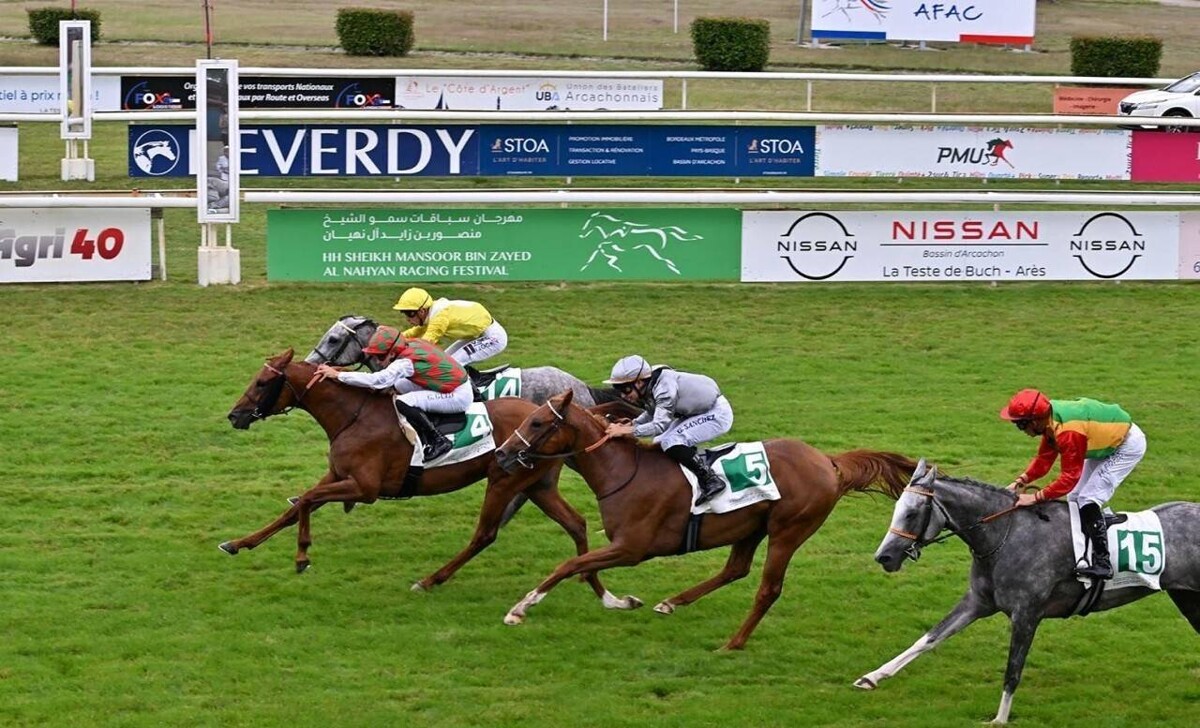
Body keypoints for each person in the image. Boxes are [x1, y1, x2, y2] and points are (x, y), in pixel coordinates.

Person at [999, 388, 1147, 580]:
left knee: (1088, 498)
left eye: (1020, 425)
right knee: (1075, 497)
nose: (1021, 430)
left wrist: (1035, 497)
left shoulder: (1067, 432)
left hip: (1126, 445)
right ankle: (1085, 545)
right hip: (1102, 441)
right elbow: (1044, 459)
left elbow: (1069, 478)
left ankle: (1104, 563)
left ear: (1034, 422)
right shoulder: (1050, 421)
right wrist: (1020, 481)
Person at [315, 326, 471, 462]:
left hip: (457, 395)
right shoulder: (410, 343)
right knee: (398, 384)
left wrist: (338, 376)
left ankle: (438, 440)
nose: (378, 361)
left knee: (404, 402)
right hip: (451, 383)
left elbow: (378, 380)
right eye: (375, 356)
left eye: (381, 356)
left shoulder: (405, 362)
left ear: (393, 352)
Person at [602, 355, 733, 507]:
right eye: (618, 390)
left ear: (638, 382)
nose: (624, 395)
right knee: (659, 442)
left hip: (715, 413)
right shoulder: (649, 382)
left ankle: (711, 480)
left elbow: (659, 425)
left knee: (672, 441)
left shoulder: (664, 389)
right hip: (695, 412)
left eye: (625, 389)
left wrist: (627, 431)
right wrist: (634, 423)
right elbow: (652, 411)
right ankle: (682, 478)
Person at [392, 287, 508, 368]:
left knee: (454, 364)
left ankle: (471, 395)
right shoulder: (432, 312)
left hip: (494, 338)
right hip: (479, 333)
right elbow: (415, 332)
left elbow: (425, 344)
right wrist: (394, 338)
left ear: (421, 311)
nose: (407, 319)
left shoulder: (439, 318)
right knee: (446, 360)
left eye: (409, 313)